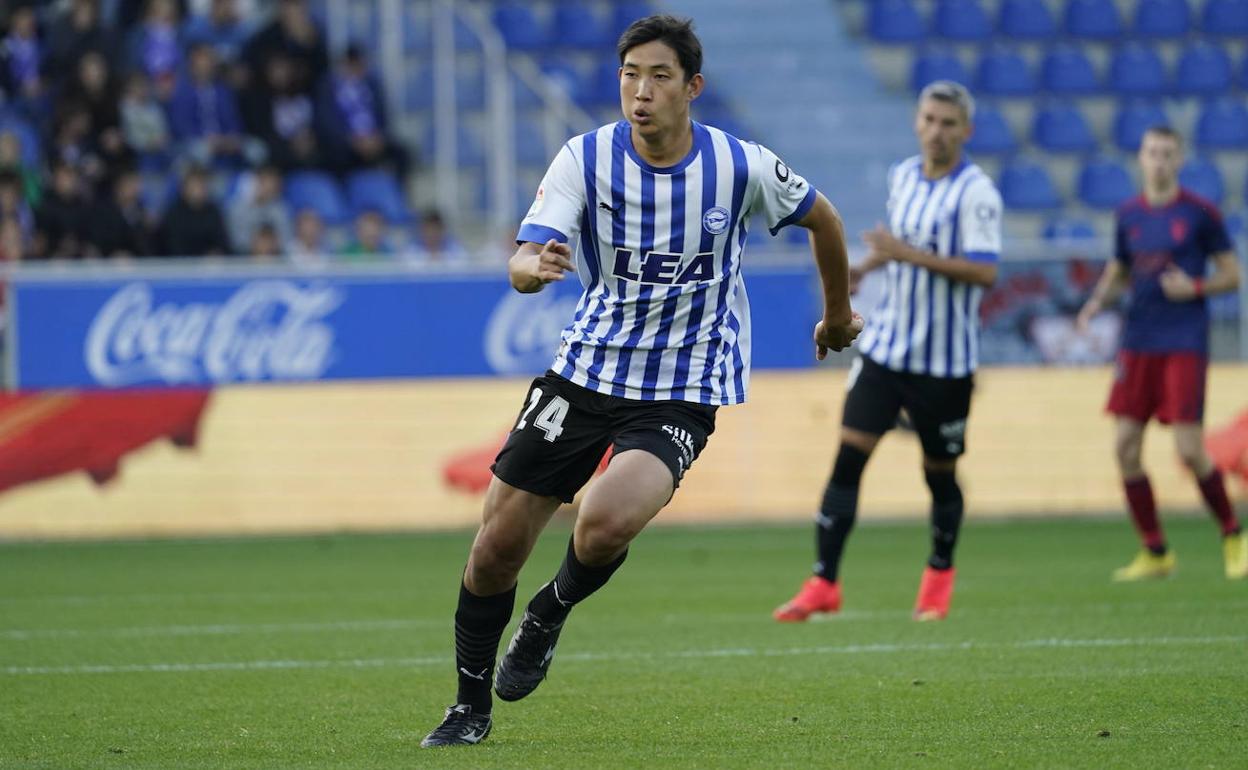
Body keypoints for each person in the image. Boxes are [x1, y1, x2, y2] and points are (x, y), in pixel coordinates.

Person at [420, 14, 862, 748]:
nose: (641, 90)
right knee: (495, 549)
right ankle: (469, 706)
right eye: (631, 74)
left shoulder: (739, 166)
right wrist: (530, 270)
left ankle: (549, 612)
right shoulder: (585, 158)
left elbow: (826, 221)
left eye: (659, 76)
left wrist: (838, 316)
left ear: (692, 87)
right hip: (585, 372)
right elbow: (525, 258)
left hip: (683, 386)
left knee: (605, 521)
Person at [773, 80, 1003, 624]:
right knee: (849, 457)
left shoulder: (976, 193)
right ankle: (823, 582)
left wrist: (906, 254)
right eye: (929, 119)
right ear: (917, 122)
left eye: (948, 123)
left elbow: (984, 270)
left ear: (965, 131)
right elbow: (898, 242)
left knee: (939, 474)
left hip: (945, 364)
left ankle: (938, 578)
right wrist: (866, 267)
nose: (936, 131)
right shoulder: (903, 176)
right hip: (887, 350)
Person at [1076, 125, 1245, 581]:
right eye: (1152, 152)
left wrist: (1196, 286)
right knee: (1125, 447)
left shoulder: (1199, 214)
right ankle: (1155, 551)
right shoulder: (1128, 214)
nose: (1159, 161)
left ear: (1179, 160)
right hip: (1139, 339)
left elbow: (1233, 275)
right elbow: (1120, 270)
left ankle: (1233, 534)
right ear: (1141, 158)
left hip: (1184, 339)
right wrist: (1095, 304)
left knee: (1190, 449)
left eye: (1168, 154)